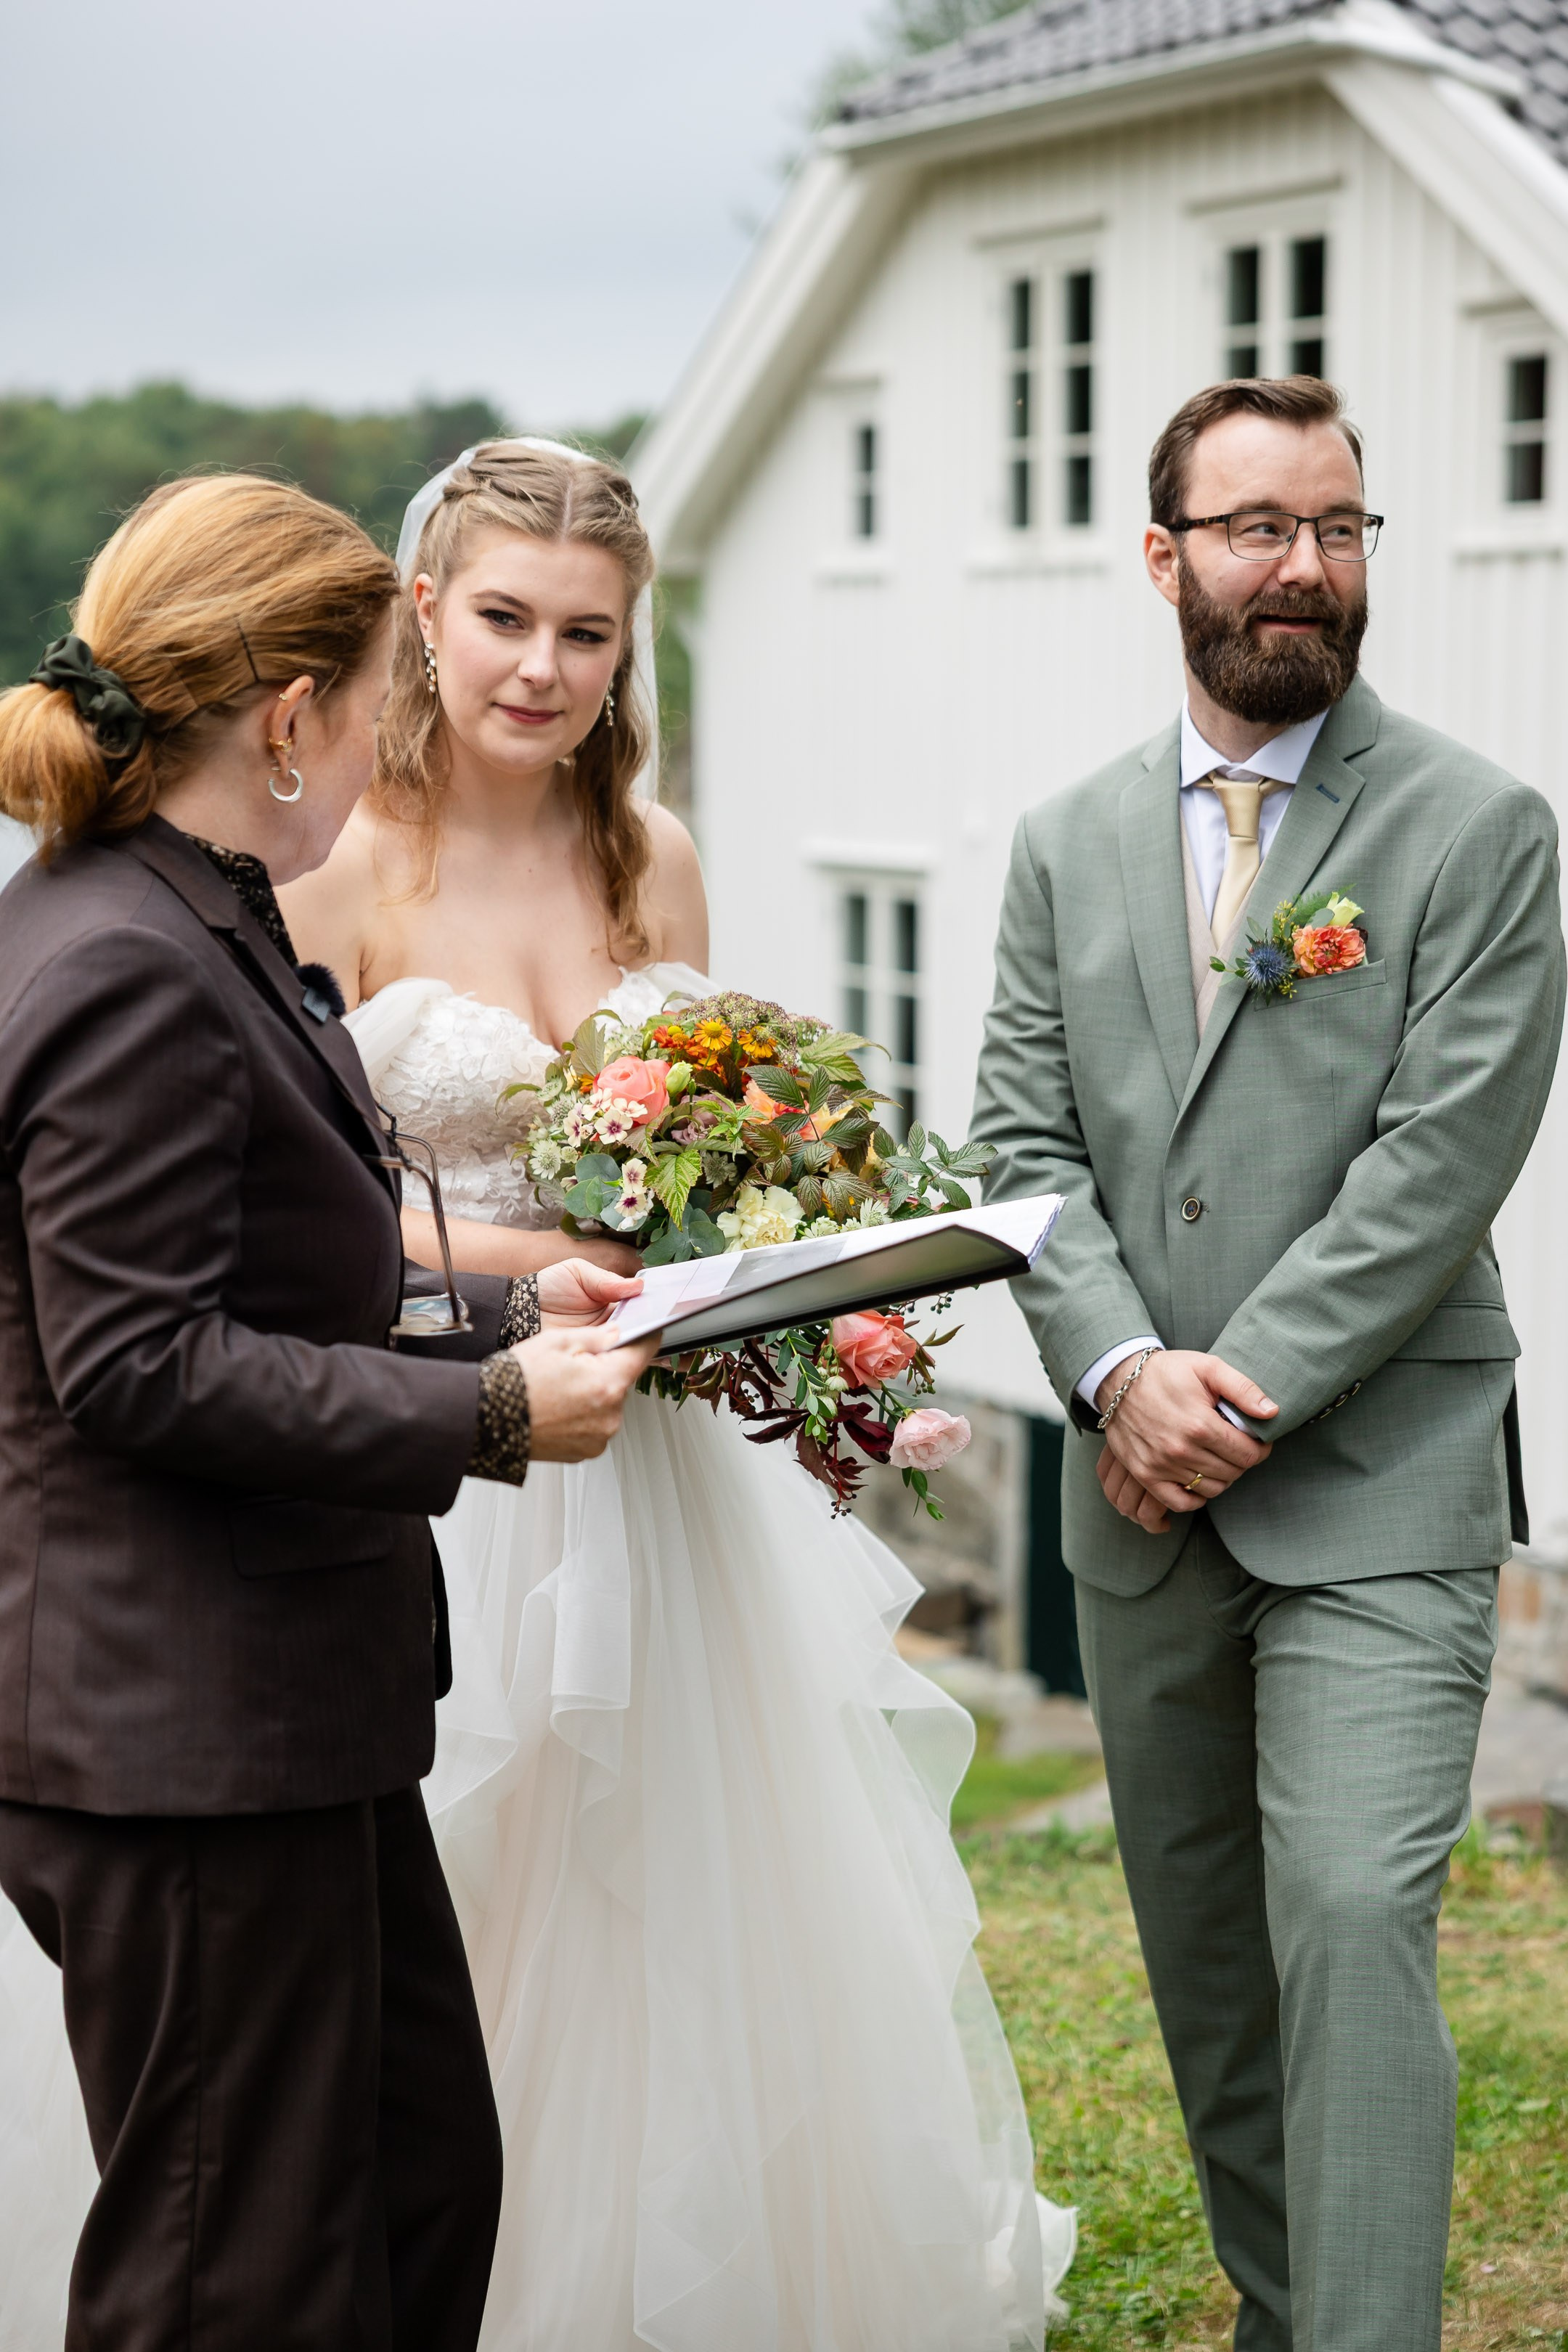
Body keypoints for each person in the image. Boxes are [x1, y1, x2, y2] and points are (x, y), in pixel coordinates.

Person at [280, 438, 1076, 2351]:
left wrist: (791, 1285)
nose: (541, 671)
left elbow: (704, 1166)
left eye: (587, 635)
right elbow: (306, 1199)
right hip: (450, 1449)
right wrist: (526, 1272)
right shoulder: (332, 862)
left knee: (684, 1916)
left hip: (655, 1471)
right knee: (471, 1897)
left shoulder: (658, 854)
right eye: (503, 622)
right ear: (423, 610)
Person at [0, 472, 656, 2352]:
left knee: (410, 2175)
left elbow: (277, 1279)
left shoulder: (183, 917)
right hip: (179, 1736)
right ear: (292, 715)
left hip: (288, 1714)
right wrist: (493, 1419)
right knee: (236, 2271)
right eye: (383, 693)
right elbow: (133, 1364)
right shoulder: (125, 961)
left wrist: (501, 1316)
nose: (395, 737)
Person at [972, 373, 1567, 2352]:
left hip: (1381, 1471)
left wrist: (1222, 1394)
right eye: (1255, 527)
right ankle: (1289, 2313)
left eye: (1337, 526)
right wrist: (1115, 1371)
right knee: (1214, 1969)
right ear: (1165, 558)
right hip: (1130, 1486)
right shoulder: (1061, 846)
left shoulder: (1484, 829)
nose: (1302, 566)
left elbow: (1440, 1159)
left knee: (1349, 1920)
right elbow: (1023, 1149)